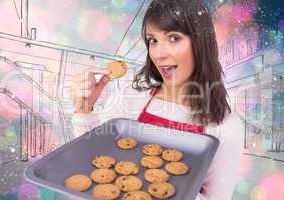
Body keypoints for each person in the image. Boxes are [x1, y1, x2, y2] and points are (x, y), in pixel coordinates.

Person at [71, 0, 244, 199]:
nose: (159, 54)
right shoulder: (131, 98)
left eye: (173, 38)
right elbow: (88, 166)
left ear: (200, 43)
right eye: (153, 40)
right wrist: (84, 111)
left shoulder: (226, 126)